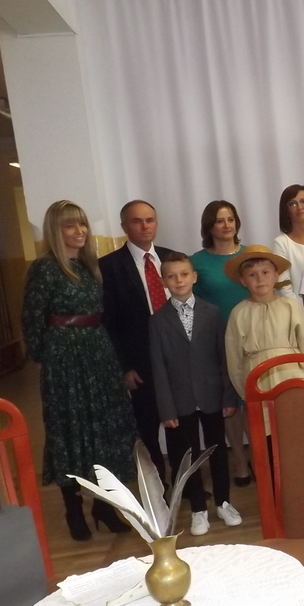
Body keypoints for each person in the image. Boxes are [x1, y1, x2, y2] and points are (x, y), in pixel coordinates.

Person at [22, 201, 135, 541]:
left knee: (105, 427)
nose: (80, 231)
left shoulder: (89, 267)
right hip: (64, 356)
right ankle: (72, 507)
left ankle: (104, 505)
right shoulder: (45, 268)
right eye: (70, 225)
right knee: (69, 429)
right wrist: (45, 357)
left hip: (97, 351)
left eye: (82, 224)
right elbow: (32, 317)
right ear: (55, 231)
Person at [149, 252, 242, 537]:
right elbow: (158, 368)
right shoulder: (157, 321)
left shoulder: (212, 312)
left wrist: (228, 396)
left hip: (212, 394)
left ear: (194, 277)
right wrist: (166, 409)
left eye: (184, 274)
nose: (179, 280)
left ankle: (224, 503)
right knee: (186, 456)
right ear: (163, 281)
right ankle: (198, 509)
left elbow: (223, 357)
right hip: (180, 399)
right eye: (171, 276)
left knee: (217, 449)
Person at [99, 199, 174, 485]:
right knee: (148, 428)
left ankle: (187, 484)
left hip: (175, 358)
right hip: (140, 364)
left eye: (149, 220)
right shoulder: (109, 266)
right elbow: (109, 323)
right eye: (136, 221)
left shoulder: (171, 258)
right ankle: (158, 487)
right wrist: (124, 367)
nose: (145, 226)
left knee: (181, 426)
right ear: (124, 226)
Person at [190, 200, 253, 486]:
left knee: (252, 401)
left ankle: (259, 458)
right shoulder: (197, 262)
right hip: (217, 340)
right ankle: (239, 460)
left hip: (253, 338)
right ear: (209, 226)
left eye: (230, 219)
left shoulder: (251, 255)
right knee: (230, 403)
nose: (226, 225)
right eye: (219, 220)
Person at [225, 245, 304, 402]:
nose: (260, 279)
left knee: (293, 412)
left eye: (265, 272)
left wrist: (300, 369)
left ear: (276, 275)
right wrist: (244, 391)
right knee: (264, 415)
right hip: (257, 376)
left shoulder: (291, 305)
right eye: (252, 275)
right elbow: (234, 356)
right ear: (243, 281)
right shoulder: (239, 312)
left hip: (290, 371)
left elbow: (303, 340)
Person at [272, 184, 304, 300]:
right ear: (286, 211)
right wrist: (299, 310)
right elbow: (283, 287)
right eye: (292, 204)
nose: (300, 207)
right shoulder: (281, 243)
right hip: (299, 308)